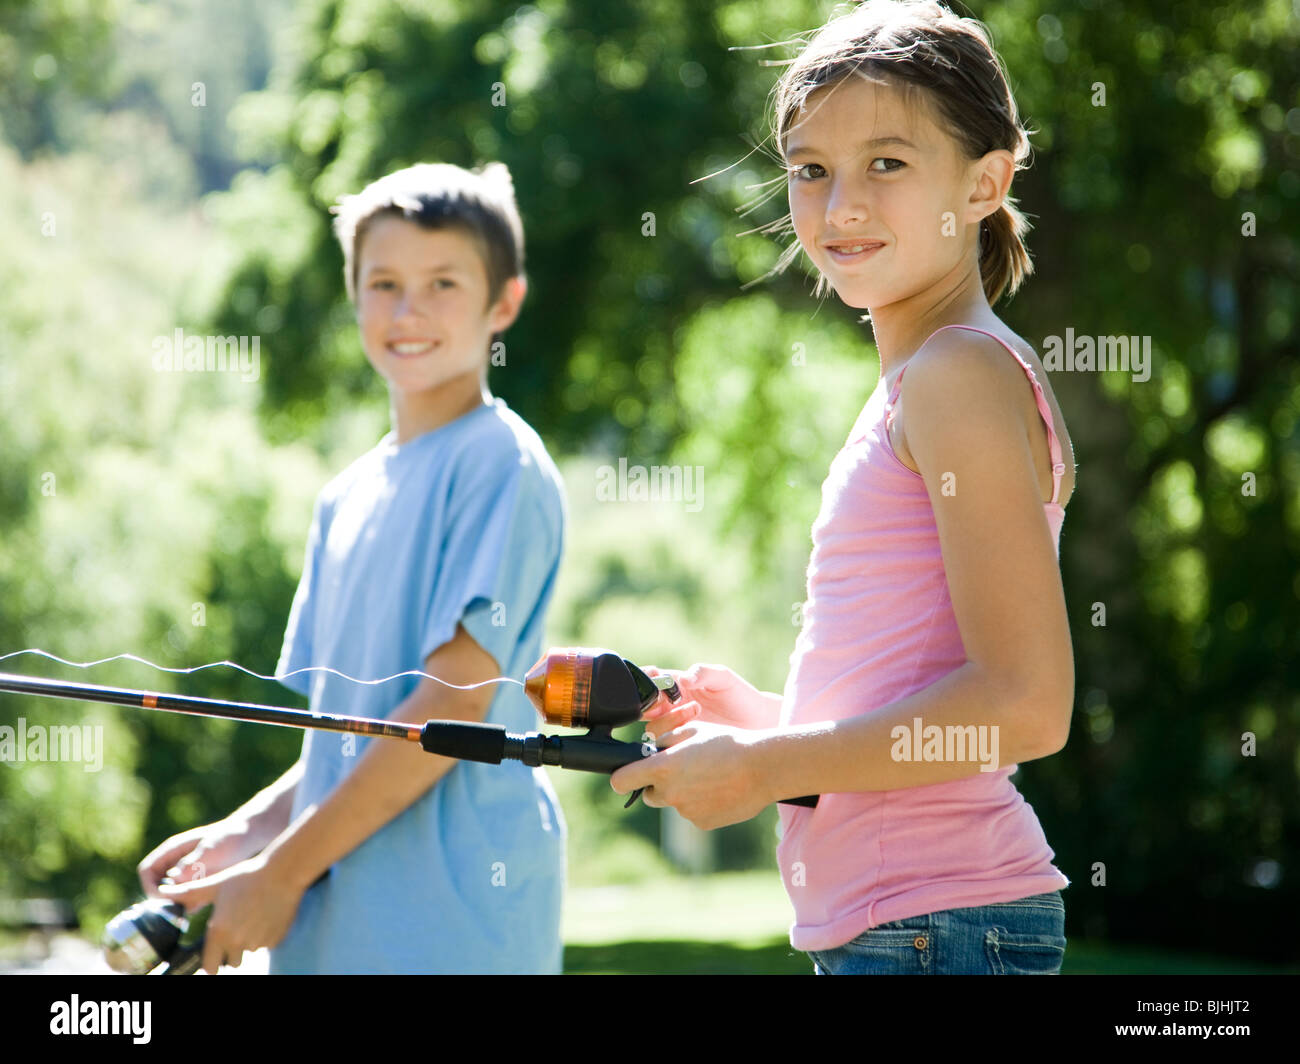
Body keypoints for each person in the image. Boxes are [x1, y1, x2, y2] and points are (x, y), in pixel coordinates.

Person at [611, 0, 1077, 975]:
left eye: (888, 163)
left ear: (986, 180)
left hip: (934, 928)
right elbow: (920, 704)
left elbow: (1026, 703)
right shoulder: (938, 378)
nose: (840, 206)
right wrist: (772, 720)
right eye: (810, 169)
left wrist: (762, 769)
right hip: (917, 925)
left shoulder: (957, 375)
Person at [136, 162, 568, 974]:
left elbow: (449, 710)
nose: (408, 311)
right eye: (384, 283)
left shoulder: (498, 463)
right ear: (353, 294)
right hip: (332, 935)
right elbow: (342, 741)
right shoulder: (345, 495)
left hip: (455, 927)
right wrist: (250, 833)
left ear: (503, 302)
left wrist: (284, 868)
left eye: (443, 283)